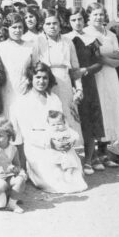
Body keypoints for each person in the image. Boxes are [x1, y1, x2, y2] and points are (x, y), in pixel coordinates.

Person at [11, 62, 87, 193]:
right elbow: (26, 133)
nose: (41, 81)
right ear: (31, 79)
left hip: (58, 140)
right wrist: (50, 143)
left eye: (45, 78)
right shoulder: (23, 101)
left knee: (75, 178)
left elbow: (63, 123)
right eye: (37, 77)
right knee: (54, 181)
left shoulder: (54, 98)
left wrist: (68, 140)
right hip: (37, 145)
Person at [83, 3, 119, 164]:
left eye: (101, 14)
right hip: (95, 76)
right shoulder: (85, 33)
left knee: (110, 109)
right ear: (89, 16)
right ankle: (93, 155)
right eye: (95, 14)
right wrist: (108, 58)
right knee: (98, 110)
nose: (98, 17)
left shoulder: (111, 34)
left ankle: (104, 153)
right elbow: (95, 58)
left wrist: (104, 58)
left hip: (110, 76)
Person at [32, 9, 84, 143]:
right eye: (48, 24)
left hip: (65, 83)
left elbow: (75, 68)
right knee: (50, 116)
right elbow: (34, 67)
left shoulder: (68, 42)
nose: (52, 27)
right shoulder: (37, 41)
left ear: (60, 25)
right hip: (46, 83)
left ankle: (73, 149)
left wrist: (79, 89)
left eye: (55, 23)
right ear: (43, 26)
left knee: (69, 116)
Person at [66, 8, 106, 174]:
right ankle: (74, 159)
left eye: (80, 19)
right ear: (69, 21)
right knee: (74, 118)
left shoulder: (92, 39)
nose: (77, 23)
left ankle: (90, 159)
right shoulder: (65, 39)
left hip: (87, 82)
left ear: (84, 20)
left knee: (88, 119)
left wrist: (85, 70)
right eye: (73, 20)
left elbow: (99, 63)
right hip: (68, 81)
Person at [0, 13, 33, 119]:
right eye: (14, 27)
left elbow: (34, 69)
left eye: (20, 27)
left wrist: (29, 82)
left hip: (24, 87)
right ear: (7, 29)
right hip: (6, 88)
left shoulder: (30, 46)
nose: (17, 30)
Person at [45, 111, 82, 182]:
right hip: (55, 150)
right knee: (54, 161)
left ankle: (69, 173)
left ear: (64, 122)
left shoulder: (67, 130)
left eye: (59, 124)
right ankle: (57, 172)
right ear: (49, 125)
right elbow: (45, 140)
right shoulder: (50, 132)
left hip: (67, 150)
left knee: (70, 160)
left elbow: (76, 136)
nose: (56, 126)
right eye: (53, 125)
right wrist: (50, 143)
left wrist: (71, 140)